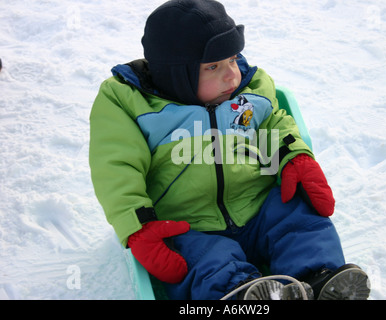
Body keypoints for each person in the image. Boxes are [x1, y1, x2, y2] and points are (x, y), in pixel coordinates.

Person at [89, 0, 370, 300]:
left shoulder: (250, 88)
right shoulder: (129, 103)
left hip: (256, 204)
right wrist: (139, 225)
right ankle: (240, 294)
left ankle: (317, 277)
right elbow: (116, 167)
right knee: (203, 261)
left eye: (233, 59)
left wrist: (295, 157)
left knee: (298, 216)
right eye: (213, 67)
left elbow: (274, 123)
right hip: (188, 223)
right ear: (176, 73)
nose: (231, 75)